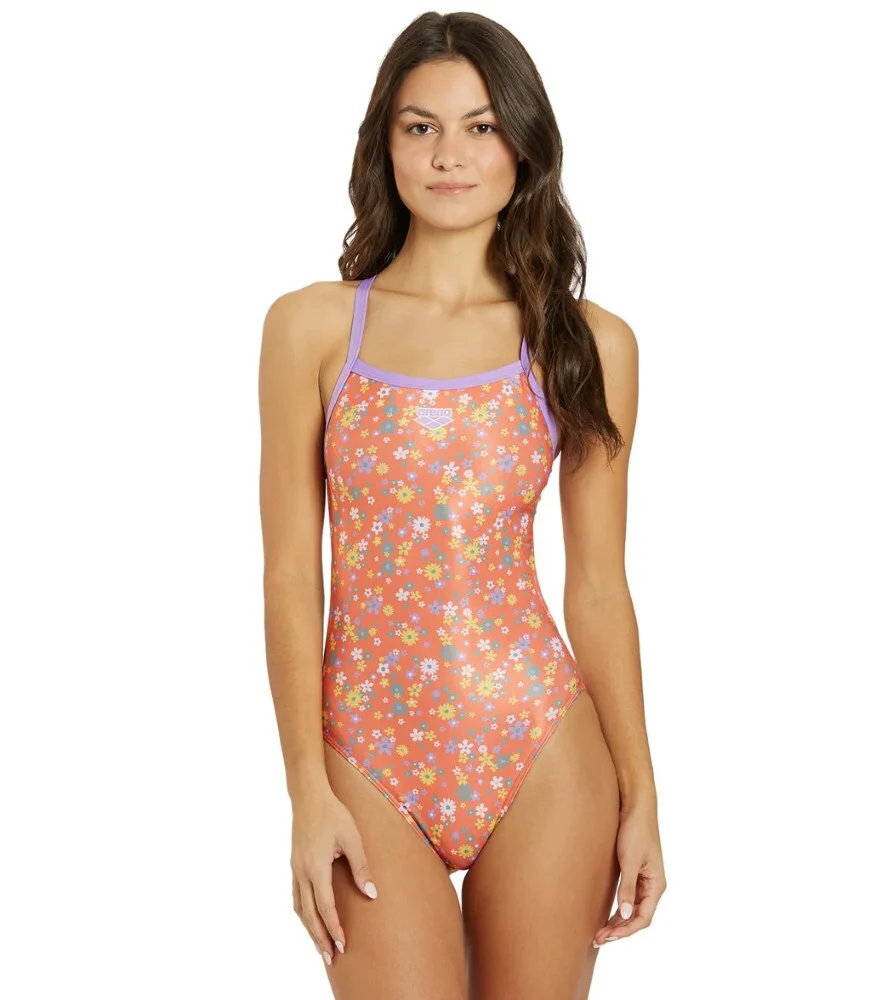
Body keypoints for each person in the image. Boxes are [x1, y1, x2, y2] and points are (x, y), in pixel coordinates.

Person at [258, 11, 665, 998]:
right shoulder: (312, 327)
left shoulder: (587, 343)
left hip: (540, 745)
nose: (450, 155)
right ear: (385, 144)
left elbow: (598, 588)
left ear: (523, 144)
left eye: (481, 127)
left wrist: (644, 795)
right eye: (421, 127)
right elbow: (289, 574)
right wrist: (306, 790)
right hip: (363, 751)